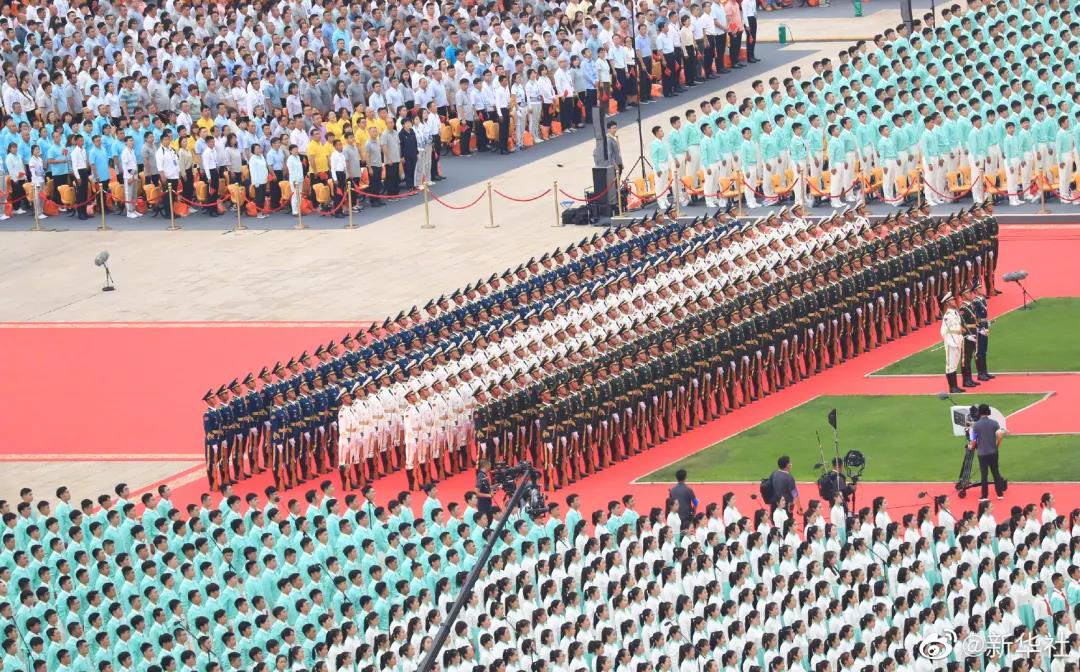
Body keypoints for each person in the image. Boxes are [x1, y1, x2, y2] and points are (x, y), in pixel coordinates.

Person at [968, 403, 1007, 501]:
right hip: (993, 452)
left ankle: (985, 496)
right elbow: (1000, 436)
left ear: (979, 412)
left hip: (982, 453)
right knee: (996, 473)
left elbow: (974, 441)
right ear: (988, 412)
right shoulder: (994, 423)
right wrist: (996, 446)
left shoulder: (976, 425)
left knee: (984, 475)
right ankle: (1000, 494)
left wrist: (971, 447)